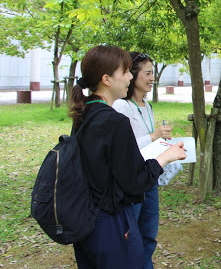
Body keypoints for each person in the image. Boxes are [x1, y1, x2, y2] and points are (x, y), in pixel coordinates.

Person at [69, 45, 186, 269]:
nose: (129, 77)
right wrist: (165, 157)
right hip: (110, 222)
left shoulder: (85, 113)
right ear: (106, 79)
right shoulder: (115, 121)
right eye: (125, 72)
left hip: (85, 216)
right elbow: (135, 183)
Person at [113, 52, 182, 269]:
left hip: (149, 177)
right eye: (148, 73)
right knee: (129, 235)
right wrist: (154, 136)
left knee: (149, 234)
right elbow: (124, 147)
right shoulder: (122, 107)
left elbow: (147, 144)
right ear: (132, 75)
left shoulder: (147, 106)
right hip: (131, 182)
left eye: (153, 73)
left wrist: (164, 143)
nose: (152, 78)